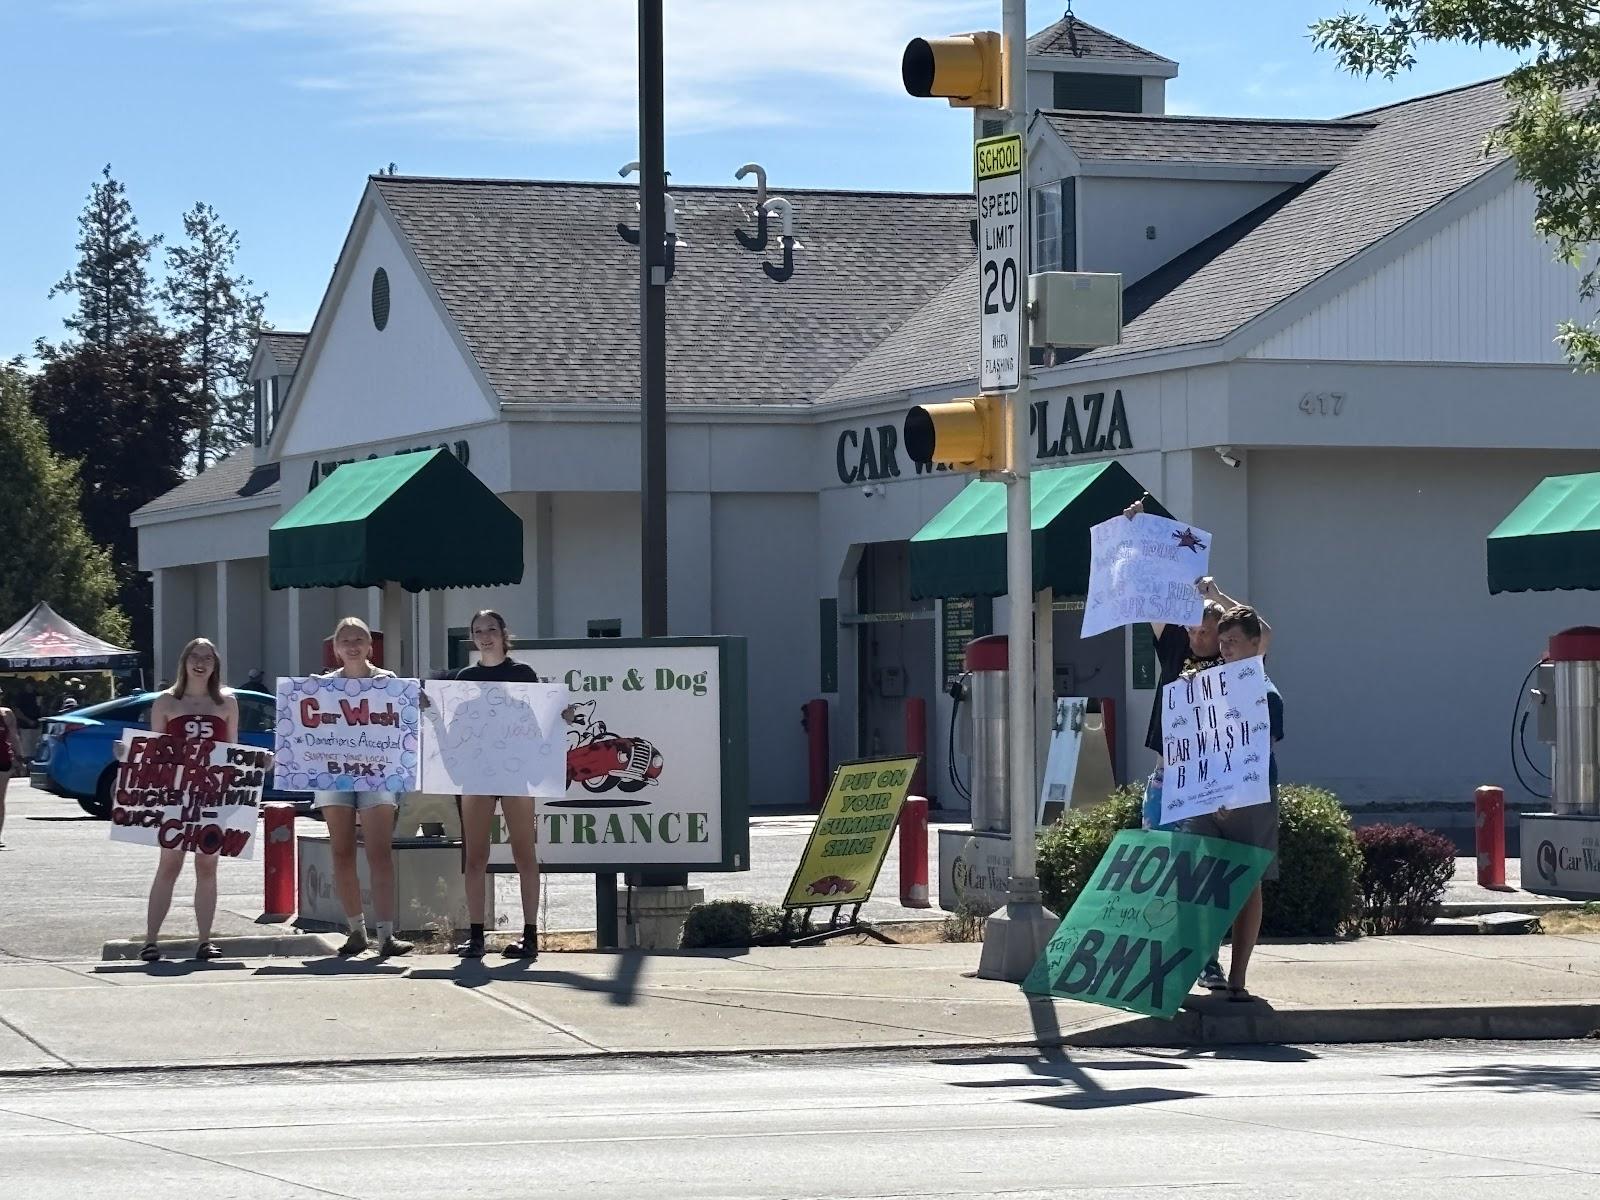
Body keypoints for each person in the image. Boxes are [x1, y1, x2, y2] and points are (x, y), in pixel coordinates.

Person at [1186, 606, 1283, 1004]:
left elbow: (1255, 753)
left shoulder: (1266, 692)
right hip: (1207, 799)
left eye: (1234, 642)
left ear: (1256, 644)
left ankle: (1239, 977)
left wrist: (1230, 794)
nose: (1225, 649)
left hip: (1250, 800)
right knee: (1203, 882)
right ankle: (1205, 966)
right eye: (1222, 642)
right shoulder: (1205, 684)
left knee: (1246, 884)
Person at [125, 638, 241, 961]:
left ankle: (205, 940)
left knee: (207, 864)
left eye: (208, 657)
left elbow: (234, 751)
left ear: (216, 664)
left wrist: (258, 765)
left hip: (212, 793)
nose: (201, 662)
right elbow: (152, 750)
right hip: (174, 793)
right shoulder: (166, 702)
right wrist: (128, 755)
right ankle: (150, 940)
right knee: (169, 863)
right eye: (195, 655)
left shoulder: (227, 702)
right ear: (184, 661)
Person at [440, 609, 545, 960]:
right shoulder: (465, 677)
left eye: (491, 629)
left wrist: (564, 714)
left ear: (503, 633)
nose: (485, 636)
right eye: (478, 630)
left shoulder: (523, 674)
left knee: (523, 853)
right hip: (477, 774)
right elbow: (455, 728)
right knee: (475, 856)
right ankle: (476, 936)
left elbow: (541, 717)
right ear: (472, 637)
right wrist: (431, 713)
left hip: (515, 773)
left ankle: (530, 936)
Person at [316, 617, 413, 958]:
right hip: (333, 773)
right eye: (346, 640)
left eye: (359, 638)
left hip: (379, 773)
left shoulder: (389, 683)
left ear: (371, 646)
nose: (353, 645)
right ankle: (356, 931)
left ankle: (386, 935)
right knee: (341, 851)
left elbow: (405, 727)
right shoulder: (321, 687)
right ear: (336, 647)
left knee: (379, 853)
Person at [0, 701, 19, 849]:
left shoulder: (7, 714)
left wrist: (20, 757)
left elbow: (13, 736)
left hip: (3, 759)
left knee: (0, 799)